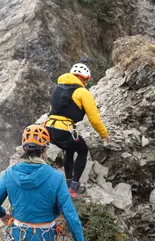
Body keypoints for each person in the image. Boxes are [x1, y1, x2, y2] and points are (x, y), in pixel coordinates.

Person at [46, 63, 108, 197]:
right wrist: (104, 134)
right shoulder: (82, 92)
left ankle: (67, 182)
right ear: (83, 78)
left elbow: (52, 111)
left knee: (69, 149)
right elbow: (94, 119)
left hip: (49, 129)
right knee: (82, 150)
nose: (86, 83)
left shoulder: (57, 88)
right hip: (64, 129)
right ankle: (74, 187)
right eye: (86, 80)